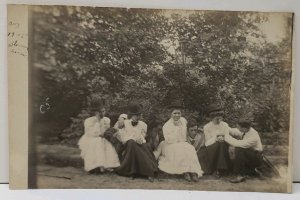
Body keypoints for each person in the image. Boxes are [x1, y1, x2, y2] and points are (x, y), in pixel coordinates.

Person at [156, 101, 203, 182]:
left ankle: (193, 172)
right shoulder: (167, 126)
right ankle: (185, 172)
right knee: (180, 149)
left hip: (182, 143)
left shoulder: (183, 121)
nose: (177, 115)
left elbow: (187, 131)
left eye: (179, 113)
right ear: (170, 114)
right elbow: (168, 139)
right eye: (175, 113)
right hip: (169, 145)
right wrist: (179, 140)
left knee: (190, 148)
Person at [115, 103, 158, 182]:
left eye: (139, 115)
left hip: (139, 144)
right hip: (128, 143)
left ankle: (137, 172)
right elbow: (122, 137)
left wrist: (141, 139)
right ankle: (147, 171)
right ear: (131, 115)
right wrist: (134, 139)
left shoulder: (143, 125)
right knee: (131, 143)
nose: (137, 117)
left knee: (145, 145)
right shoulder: (125, 123)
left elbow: (142, 136)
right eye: (135, 115)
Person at [78, 99, 120, 173]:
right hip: (90, 138)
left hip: (102, 138)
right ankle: (95, 166)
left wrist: (107, 134)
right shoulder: (89, 121)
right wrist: (97, 121)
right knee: (97, 142)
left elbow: (105, 132)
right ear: (96, 112)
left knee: (105, 143)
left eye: (104, 111)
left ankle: (106, 165)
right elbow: (92, 133)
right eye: (100, 111)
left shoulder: (106, 120)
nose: (103, 113)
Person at [225, 118, 263, 183]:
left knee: (239, 149)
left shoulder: (253, 136)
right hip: (251, 155)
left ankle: (240, 175)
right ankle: (251, 171)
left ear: (244, 128)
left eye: (238, 127)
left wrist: (225, 136)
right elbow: (234, 131)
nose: (237, 129)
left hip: (257, 158)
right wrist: (224, 128)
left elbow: (238, 144)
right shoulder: (247, 130)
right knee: (240, 151)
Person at [203, 104, 231, 176]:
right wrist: (216, 138)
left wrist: (223, 138)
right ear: (212, 117)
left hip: (224, 145)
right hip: (211, 147)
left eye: (220, 116)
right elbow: (207, 143)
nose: (218, 118)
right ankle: (221, 169)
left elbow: (227, 136)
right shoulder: (207, 127)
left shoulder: (225, 125)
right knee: (220, 144)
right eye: (216, 116)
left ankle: (220, 169)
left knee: (222, 144)